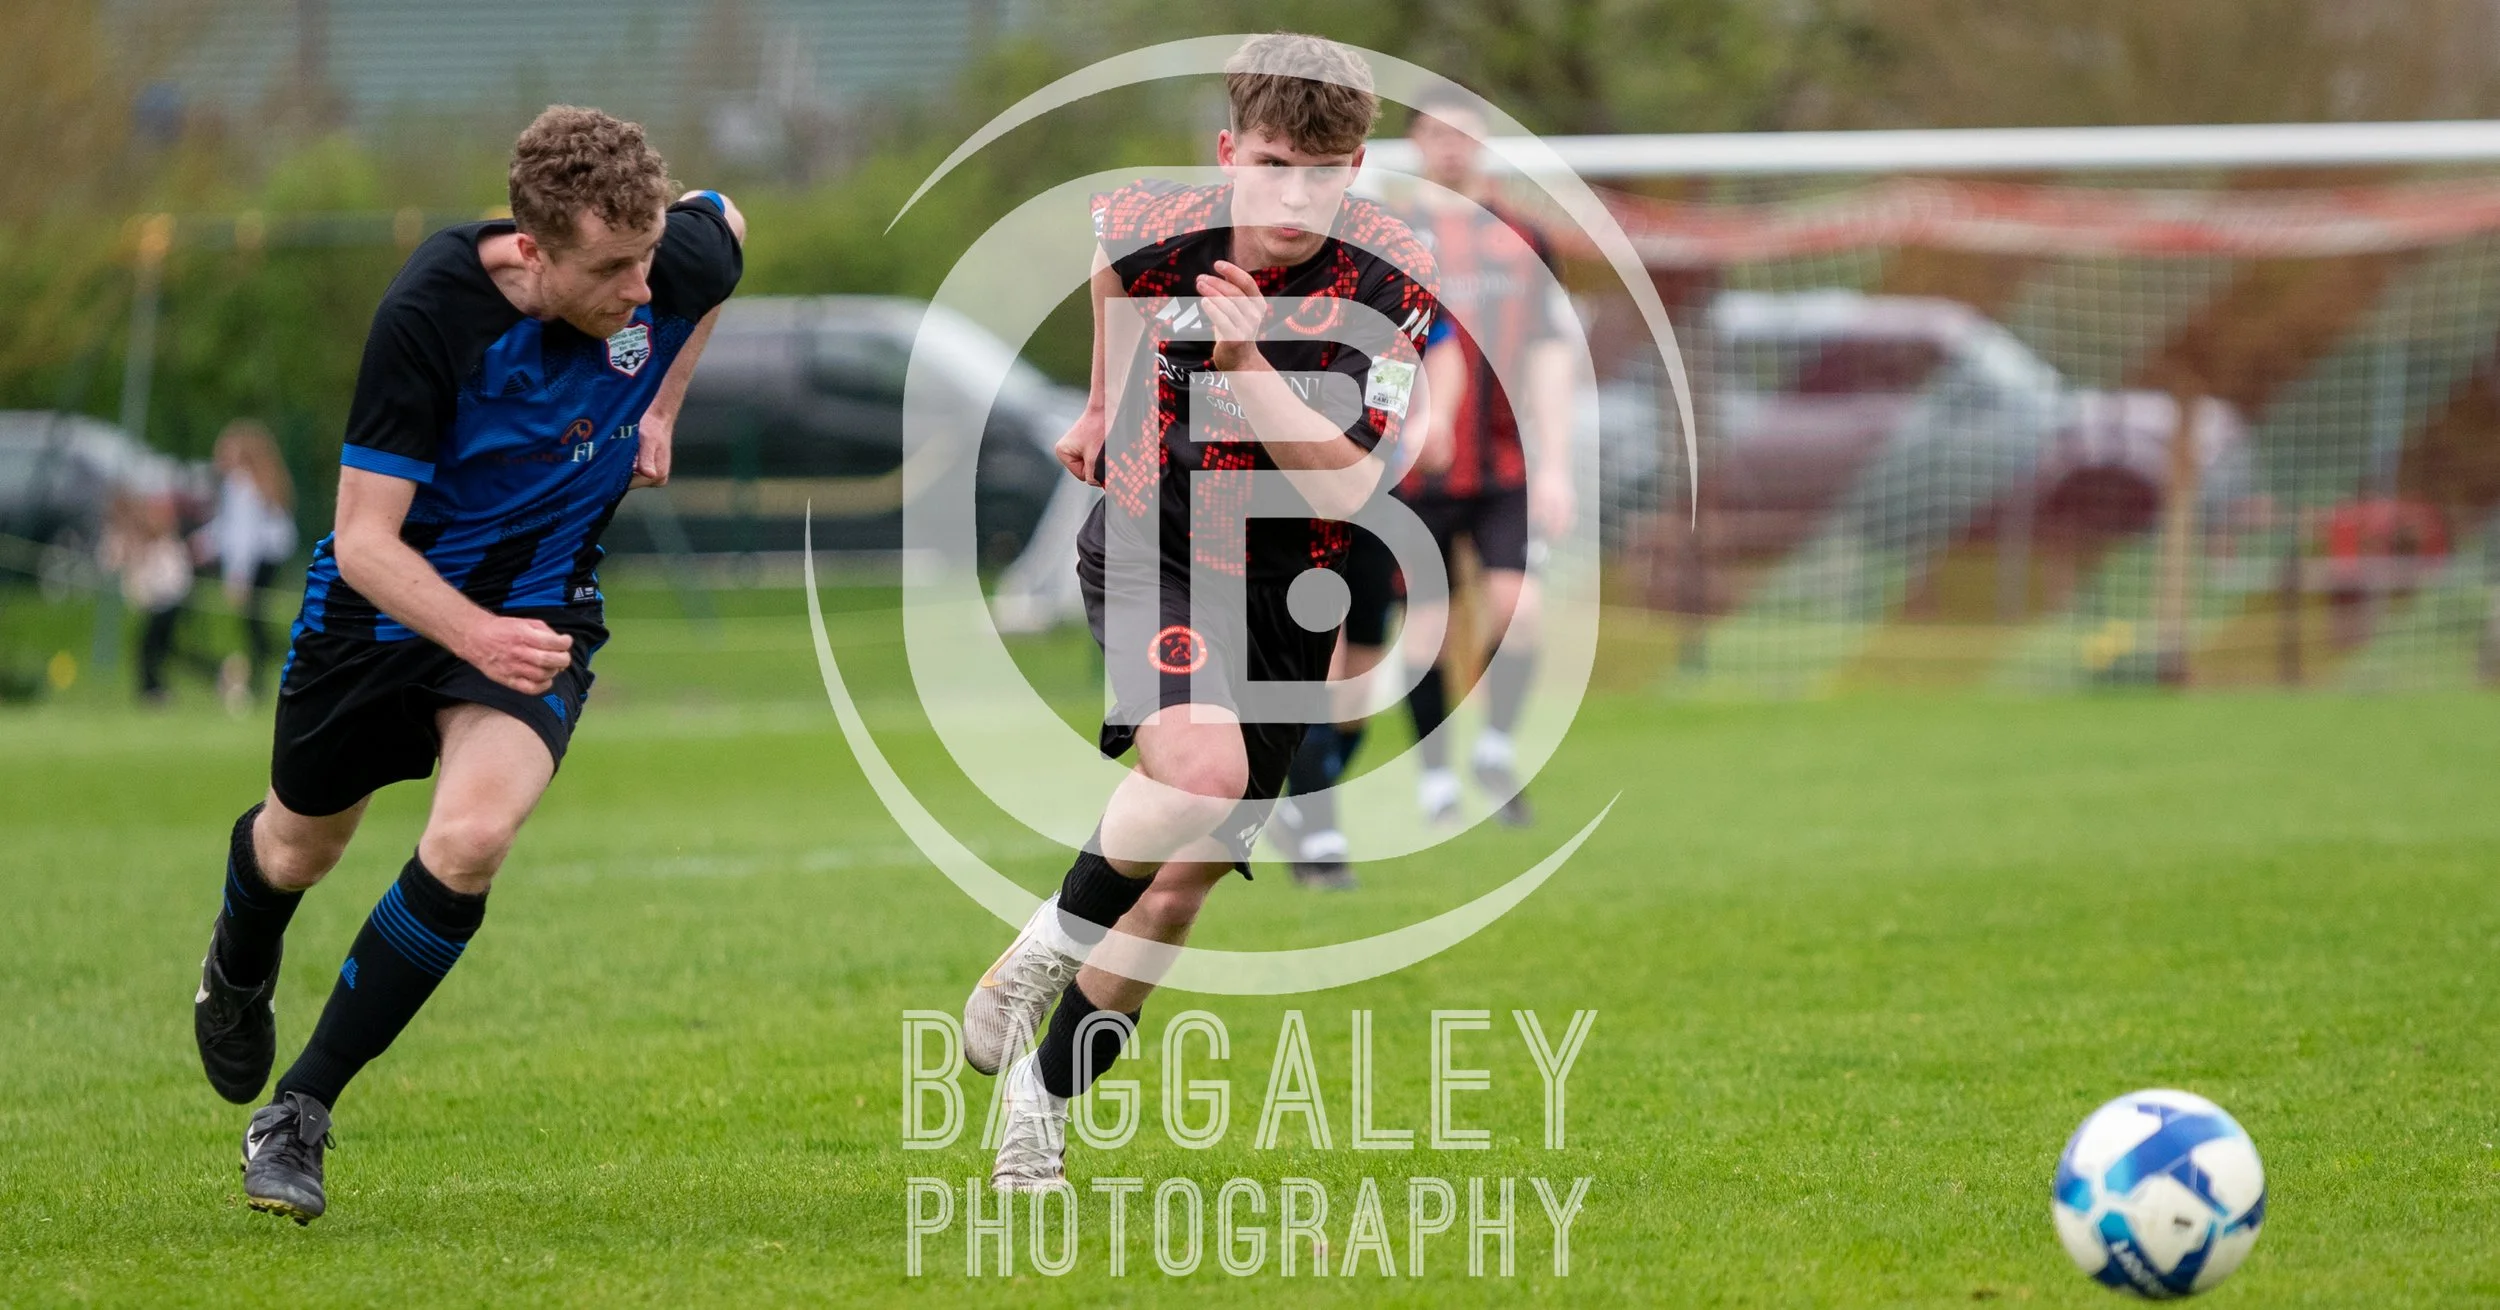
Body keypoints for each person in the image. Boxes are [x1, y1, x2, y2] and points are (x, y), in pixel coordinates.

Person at [188, 105, 744, 1224]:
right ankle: (237, 964)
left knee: (472, 835)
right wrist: (474, 634)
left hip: (541, 605)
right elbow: (364, 540)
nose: (644, 289)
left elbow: (725, 230)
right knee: (302, 844)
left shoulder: (662, 259)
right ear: (531, 252)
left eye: (648, 258)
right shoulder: (429, 315)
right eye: (612, 268)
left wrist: (665, 406)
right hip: (378, 620)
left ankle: (299, 1109)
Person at [960, 33, 1438, 1191]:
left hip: (1290, 591)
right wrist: (1099, 403)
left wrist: (1247, 361)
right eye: (1271, 164)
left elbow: (1346, 485)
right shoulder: (1150, 220)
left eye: (1323, 173)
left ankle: (1040, 1098)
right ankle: (1029, 962)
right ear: (1229, 151)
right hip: (1153, 539)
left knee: (1186, 873)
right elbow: (1113, 272)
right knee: (1202, 774)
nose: (1294, 196)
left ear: (1357, 165)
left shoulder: (1393, 282)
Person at [1278, 82, 1576, 870]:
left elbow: (1542, 353)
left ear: (1482, 143)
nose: (1452, 146)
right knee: (1379, 650)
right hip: (1401, 481)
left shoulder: (1525, 238)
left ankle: (1490, 751)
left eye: (1464, 133)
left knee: (1518, 608)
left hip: (1502, 465)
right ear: (1416, 145)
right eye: (1437, 134)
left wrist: (1557, 463)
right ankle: (1401, 781)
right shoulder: (1390, 235)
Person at [197, 420, 298, 703]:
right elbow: (229, 528)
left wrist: (237, 575)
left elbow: (243, 534)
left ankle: (268, 673)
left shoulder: (240, 482)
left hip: (257, 558)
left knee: (253, 621)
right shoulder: (260, 481)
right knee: (256, 621)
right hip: (272, 557)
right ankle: (266, 674)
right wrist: (203, 543)